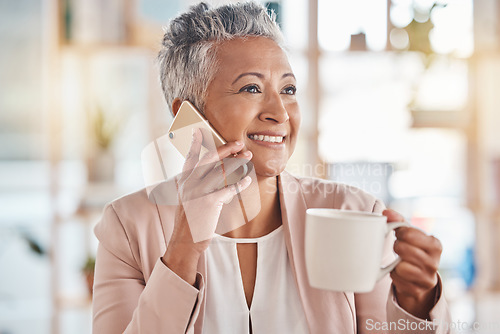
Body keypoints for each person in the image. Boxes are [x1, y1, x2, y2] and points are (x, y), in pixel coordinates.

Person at [92, 2, 451, 333]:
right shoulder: (127, 227)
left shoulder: (353, 212)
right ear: (186, 114)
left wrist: (416, 302)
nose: (279, 113)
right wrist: (184, 246)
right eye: (251, 88)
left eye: (289, 89)